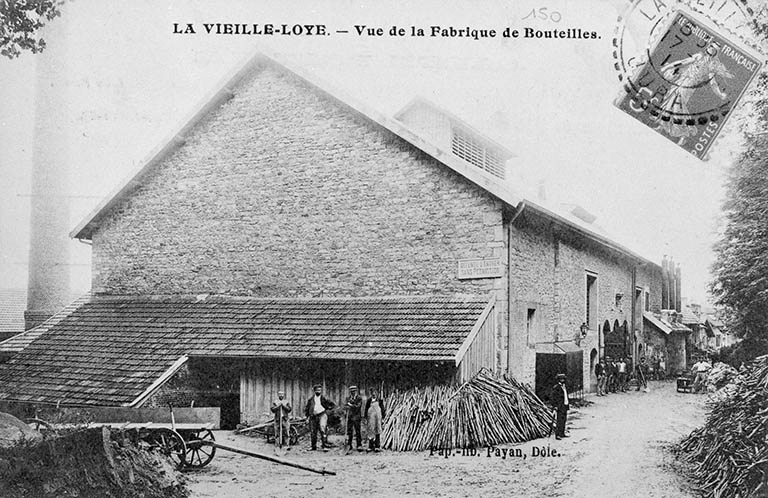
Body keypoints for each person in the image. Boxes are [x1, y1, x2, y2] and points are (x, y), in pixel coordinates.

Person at [304, 384, 335, 450]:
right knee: (313, 431)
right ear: (314, 391)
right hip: (313, 416)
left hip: (322, 415)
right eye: (317, 390)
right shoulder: (311, 399)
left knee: (322, 429)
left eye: (320, 390)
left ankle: (324, 446)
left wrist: (327, 412)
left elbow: (332, 405)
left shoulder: (324, 398)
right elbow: (307, 409)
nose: (319, 391)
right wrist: (307, 417)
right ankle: (313, 447)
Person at [549, 373, 569, 440]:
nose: (562, 380)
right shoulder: (556, 387)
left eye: (563, 379)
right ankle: (557, 435)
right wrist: (555, 406)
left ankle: (562, 433)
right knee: (559, 420)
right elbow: (552, 397)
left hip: (565, 405)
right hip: (559, 406)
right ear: (558, 380)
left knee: (564, 420)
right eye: (561, 379)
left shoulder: (564, 387)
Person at [345, 385, 363, 452]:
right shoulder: (348, 398)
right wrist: (346, 407)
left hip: (357, 417)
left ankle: (359, 445)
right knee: (349, 431)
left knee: (357, 431)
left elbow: (358, 407)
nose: (353, 392)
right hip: (350, 417)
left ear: (356, 391)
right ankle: (349, 445)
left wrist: (350, 405)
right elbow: (346, 406)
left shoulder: (359, 398)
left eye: (354, 391)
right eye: (351, 391)